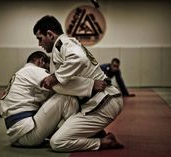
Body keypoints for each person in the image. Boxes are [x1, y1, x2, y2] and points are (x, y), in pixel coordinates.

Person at [33, 15, 124, 152]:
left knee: (58, 142)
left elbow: (79, 59)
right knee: (60, 124)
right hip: (100, 101)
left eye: (40, 38)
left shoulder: (62, 43)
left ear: (50, 35)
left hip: (104, 101)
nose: (39, 44)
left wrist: (55, 77)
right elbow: (65, 85)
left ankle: (103, 142)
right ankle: (97, 133)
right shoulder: (64, 46)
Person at [0, 51, 79, 146]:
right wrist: (90, 86)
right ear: (41, 61)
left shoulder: (21, 73)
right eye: (47, 67)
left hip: (17, 135)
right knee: (66, 98)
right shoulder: (34, 70)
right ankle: (81, 130)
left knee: (58, 128)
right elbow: (63, 87)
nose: (49, 72)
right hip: (27, 133)